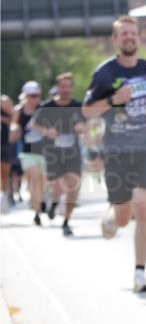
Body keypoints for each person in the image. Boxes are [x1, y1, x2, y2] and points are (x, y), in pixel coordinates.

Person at [82, 15, 146, 293]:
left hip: (144, 148)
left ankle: (140, 274)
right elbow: (87, 110)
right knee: (122, 217)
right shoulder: (105, 73)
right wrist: (113, 101)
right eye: (124, 34)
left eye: (133, 33)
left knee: (142, 209)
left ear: (138, 38)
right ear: (116, 40)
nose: (129, 37)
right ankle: (112, 217)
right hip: (116, 150)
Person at [32, 72, 86, 237]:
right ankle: (54, 203)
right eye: (63, 87)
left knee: (73, 183)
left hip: (73, 152)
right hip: (53, 152)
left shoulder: (78, 105)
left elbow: (88, 124)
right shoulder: (48, 107)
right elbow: (35, 125)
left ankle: (66, 222)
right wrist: (46, 131)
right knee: (57, 184)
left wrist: (82, 128)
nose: (66, 90)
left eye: (69, 86)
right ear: (58, 88)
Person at [11, 81, 47, 226]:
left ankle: (40, 201)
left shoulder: (44, 109)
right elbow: (15, 125)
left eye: (36, 95)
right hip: (27, 152)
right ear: (25, 96)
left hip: (45, 152)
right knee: (33, 180)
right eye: (31, 96)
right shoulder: (19, 111)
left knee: (43, 183)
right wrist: (14, 129)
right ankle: (37, 211)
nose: (34, 99)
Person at [1, 94, 14, 213]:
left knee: (4, 174)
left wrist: (2, 119)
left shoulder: (4, 101)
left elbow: (14, 120)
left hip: (4, 143)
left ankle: (5, 198)